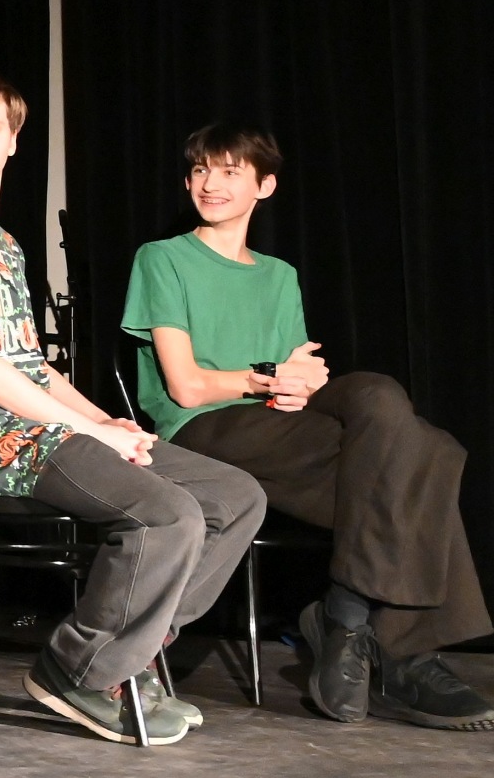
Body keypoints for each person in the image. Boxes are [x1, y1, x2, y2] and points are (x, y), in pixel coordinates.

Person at [0, 71, 264, 745]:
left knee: (235, 497)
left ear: (13, 140)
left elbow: (32, 365)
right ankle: (78, 670)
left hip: (47, 428)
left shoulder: (2, 242)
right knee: (167, 514)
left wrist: (103, 422)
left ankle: (133, 656)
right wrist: (86, 430)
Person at [123, 123, 494, 729]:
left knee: (380, 397)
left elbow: (297, 375)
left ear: (264, 186)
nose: (210, 183)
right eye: (200, 170)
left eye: (230, 171)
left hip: (278, 424)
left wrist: (300, 384)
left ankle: (346, 615)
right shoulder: (163, 258)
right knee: (426, 453)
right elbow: (187, 386)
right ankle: (394, 650)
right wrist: (268, 379)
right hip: (205, 427)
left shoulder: (279, 274)